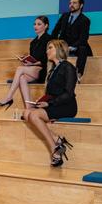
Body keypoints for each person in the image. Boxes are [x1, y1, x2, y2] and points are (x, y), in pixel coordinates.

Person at [22, 39, 77, 167]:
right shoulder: (52, 69)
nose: (47, 51)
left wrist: (50, 103)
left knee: (34, 115)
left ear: (59, 50)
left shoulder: (68, 67)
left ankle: (54, 150)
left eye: (50, 48)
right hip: (54, 103)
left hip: (66, 106)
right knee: (26, 113)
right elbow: (51, 93)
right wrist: (42, 101)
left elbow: (68, 94)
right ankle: (58, 139)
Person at [0, 15, 52, 110]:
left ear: (46, 26)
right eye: (34, 24)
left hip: (43, 69)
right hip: (33, 69)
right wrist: (26, 60)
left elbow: (48, 58)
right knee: (22, 78)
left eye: (39, 24)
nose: (35, 26)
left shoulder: (49, 39)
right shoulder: (33, 42)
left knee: (20, 68)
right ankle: (29, 107)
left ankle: (9, 97)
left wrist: (33, 63)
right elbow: (33, 58)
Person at [51, 0, 92, 81]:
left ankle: (78, 74)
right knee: (53, 48)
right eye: (70, 3)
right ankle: (53, 74)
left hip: (77, 46)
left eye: (74, 3)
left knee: (83, 48)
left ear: (81, 5)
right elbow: (55, 31)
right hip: (64, 45)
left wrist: (71, 47)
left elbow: (83, 38)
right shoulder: (64, 16)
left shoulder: (85, 20)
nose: (71, 5)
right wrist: (54, 43)